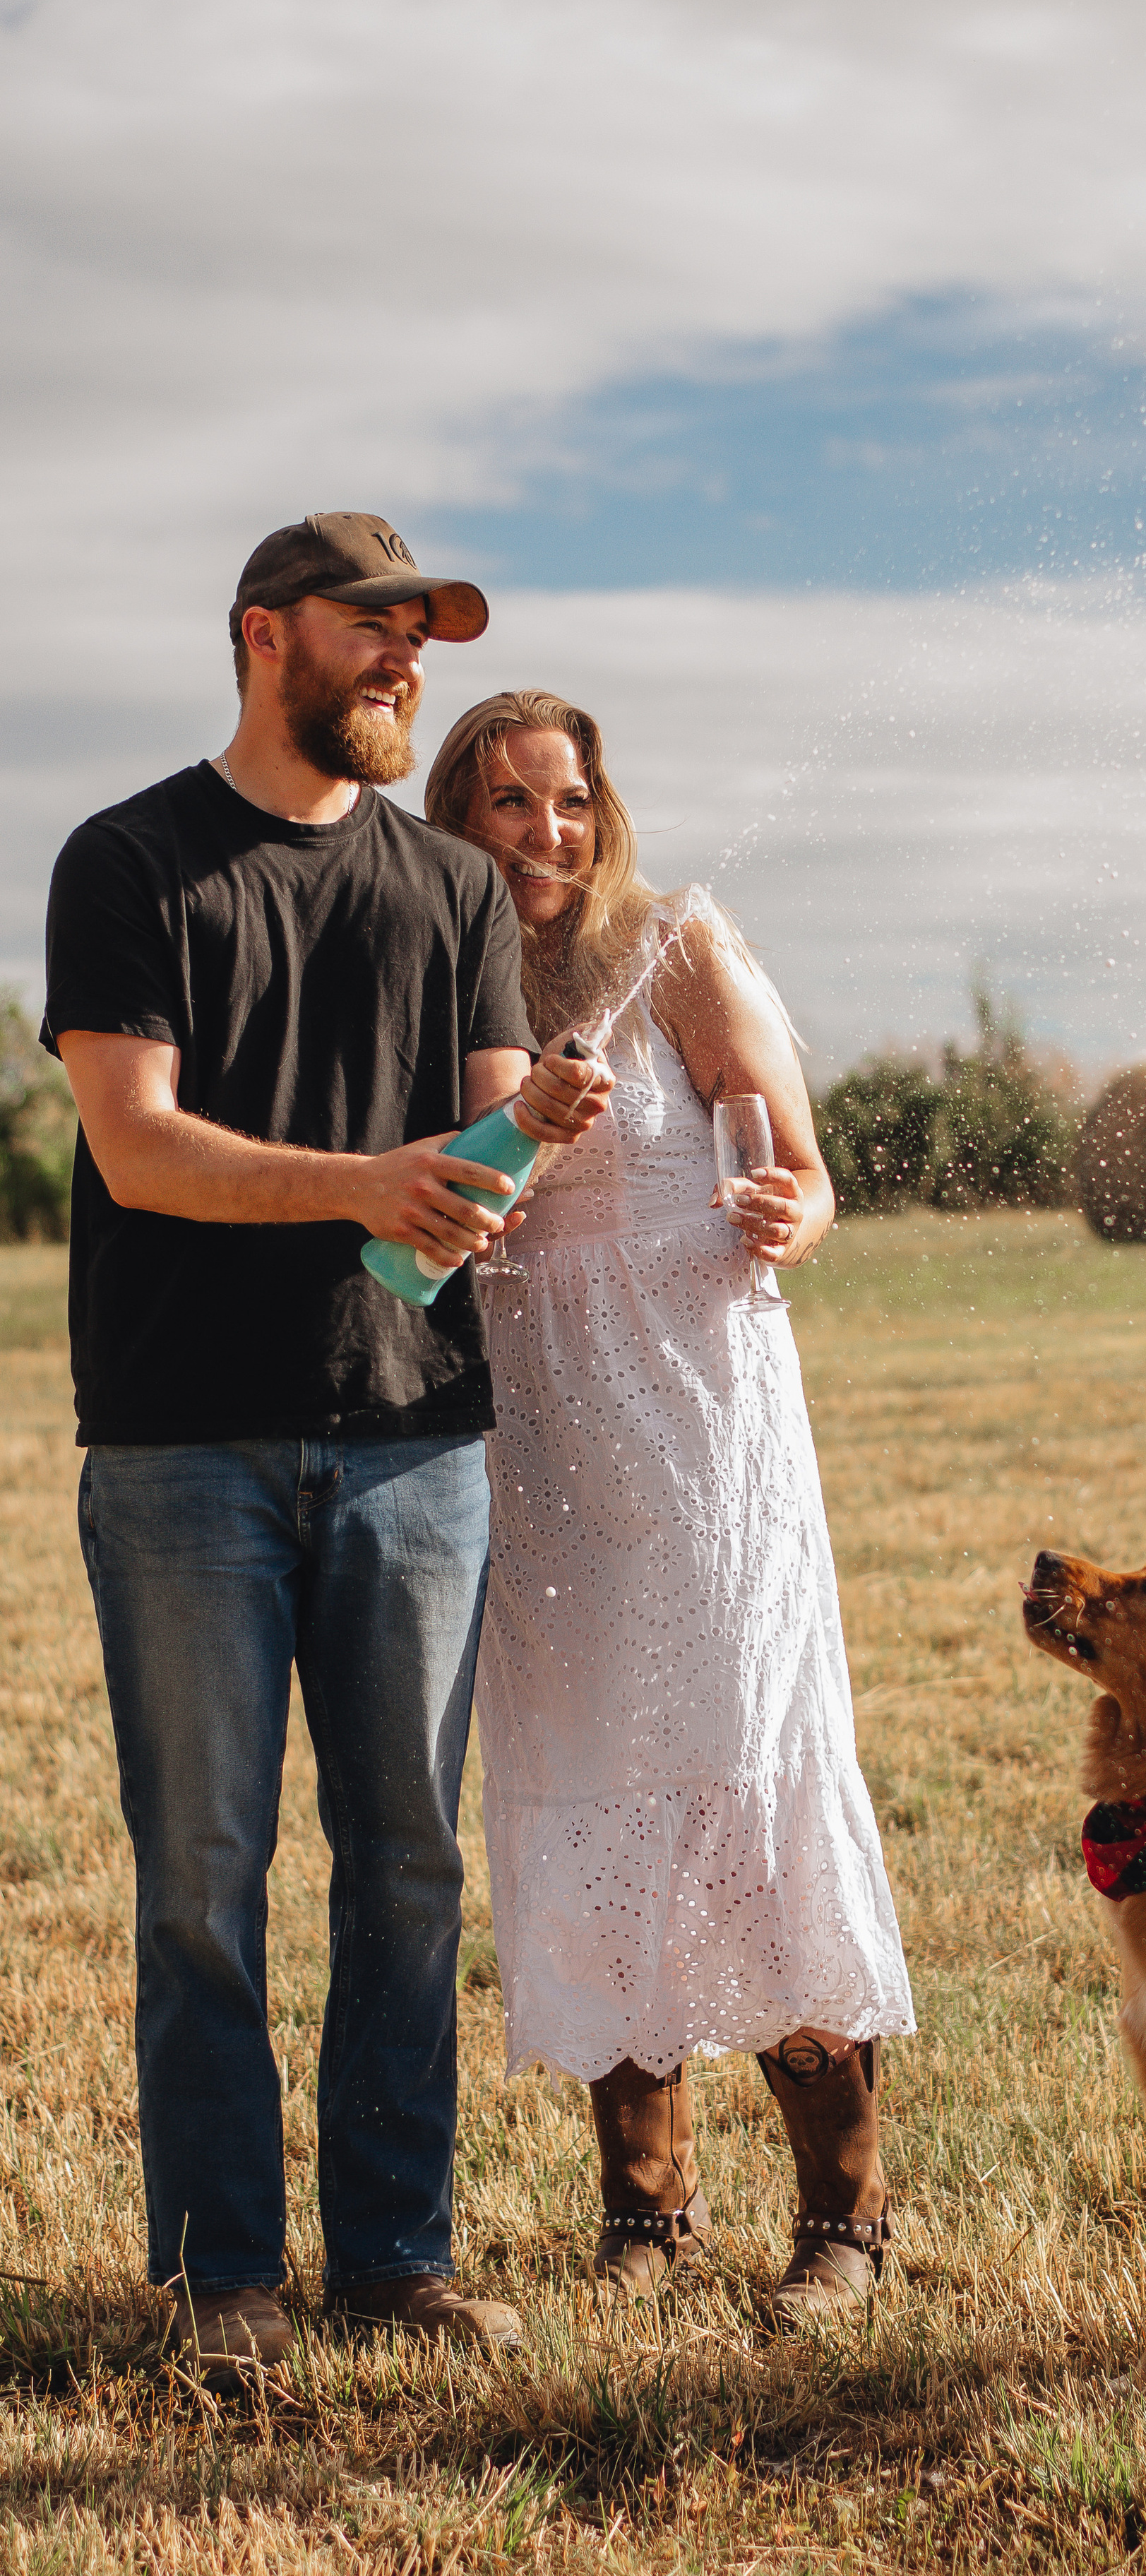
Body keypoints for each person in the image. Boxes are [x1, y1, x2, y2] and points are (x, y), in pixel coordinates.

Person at [42, 518, 609, 2375]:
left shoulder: (451, 887)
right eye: (373, 635)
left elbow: (483, 1139)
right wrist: (371, 1181)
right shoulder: (126, 860)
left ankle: (394, 2256)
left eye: (417, 643)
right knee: (202, 1876)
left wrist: (538, 1135)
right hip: (182, 1450)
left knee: (409, 1863)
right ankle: (223, 2284)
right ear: (262, 634)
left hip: (418, 1442)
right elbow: (136, 1146)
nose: (400, 669)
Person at [424, 688, 914, 2317]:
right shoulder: (436, 958)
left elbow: (807, 1169)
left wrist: (798, 1205)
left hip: (702, 1419)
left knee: (739, 1771)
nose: (544, 833)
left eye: (566, 800)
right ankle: (647, 2219)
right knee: (594, 1786)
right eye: (505, 804)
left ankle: (841, 2220)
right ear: (458, 816)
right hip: (538, 1430)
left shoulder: (677, 940)